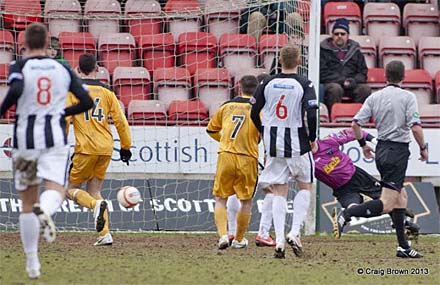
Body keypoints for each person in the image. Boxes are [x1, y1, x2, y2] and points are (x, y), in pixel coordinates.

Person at [0, 23, 92, 279]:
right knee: (56, 190)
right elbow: (87, 102)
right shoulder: (62, 68)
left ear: (25, 45)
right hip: (55, 139)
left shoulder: (19, 67)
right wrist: (63, 112)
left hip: (25, 142)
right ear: (47, 45)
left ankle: (32, 263)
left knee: (27, 202)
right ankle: (47, 212)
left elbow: (16, 90)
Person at [338, 60, 428, 258]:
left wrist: (363, 145)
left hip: (382, 150)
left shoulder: (374, 97)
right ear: (403, 77)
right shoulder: (408, 97)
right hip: (397, 152)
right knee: (387, 202)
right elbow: (415, 127)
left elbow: (355, 124)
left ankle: (403, 246)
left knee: (401, 197)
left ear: (385, 76)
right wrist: (423, 148)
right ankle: (348, 214)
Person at [250, 45, 318, 259]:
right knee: (305, 185)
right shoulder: (305, 83)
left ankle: (279, 240)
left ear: (280, 60)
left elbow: (253, 112)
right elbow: (311, 112)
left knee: (279, 189)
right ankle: (295, 232)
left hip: (273, 142)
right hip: (297, 141)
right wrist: (313, 137)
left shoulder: (266, 82)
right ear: (299, 60)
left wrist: (263, 131)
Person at [66, 53, 132, 246]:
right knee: (95, 189)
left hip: (86, 148)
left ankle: (95, 206)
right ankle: (105, 234)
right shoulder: (107, 92)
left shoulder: (72, 92)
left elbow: (65, 120)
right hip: (105, 148)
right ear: (97, 69)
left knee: (69, 189)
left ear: (77, 70)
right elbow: (121, 121)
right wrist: (126, 146)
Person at [207, 75, 260, 250]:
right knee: (246, 201)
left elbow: (211, 129)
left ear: (239, 87)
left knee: (221, 198)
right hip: (248, 157)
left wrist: (224, 140)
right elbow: (264, 133)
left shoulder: (226, 106)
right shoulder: (259, 107)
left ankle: (223, 235)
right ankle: (238, 239)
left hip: (226, 155)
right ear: (257, 89)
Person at [320, 18, 371, 114]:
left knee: (365, 89)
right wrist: (343, 81)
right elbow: (323, 73)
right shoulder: (323, 51)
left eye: (342, 34)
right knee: (335, 89)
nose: (339, 36)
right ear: (332, 35)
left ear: (348, 35)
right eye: (336, 34)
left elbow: (363, 72)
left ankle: (357, 118)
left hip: (353, 84)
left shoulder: (356, 52)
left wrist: (353, 81)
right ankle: (333, 116)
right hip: (332, 83)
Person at [240, 0, 304, 42]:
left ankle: (295, 53)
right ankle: (253, 56)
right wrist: (269, 13)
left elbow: (289, 8)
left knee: (295, 16)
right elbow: (252, 6)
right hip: (264, 16)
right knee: (256, 16)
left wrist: (271, 3)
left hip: (282, 20)